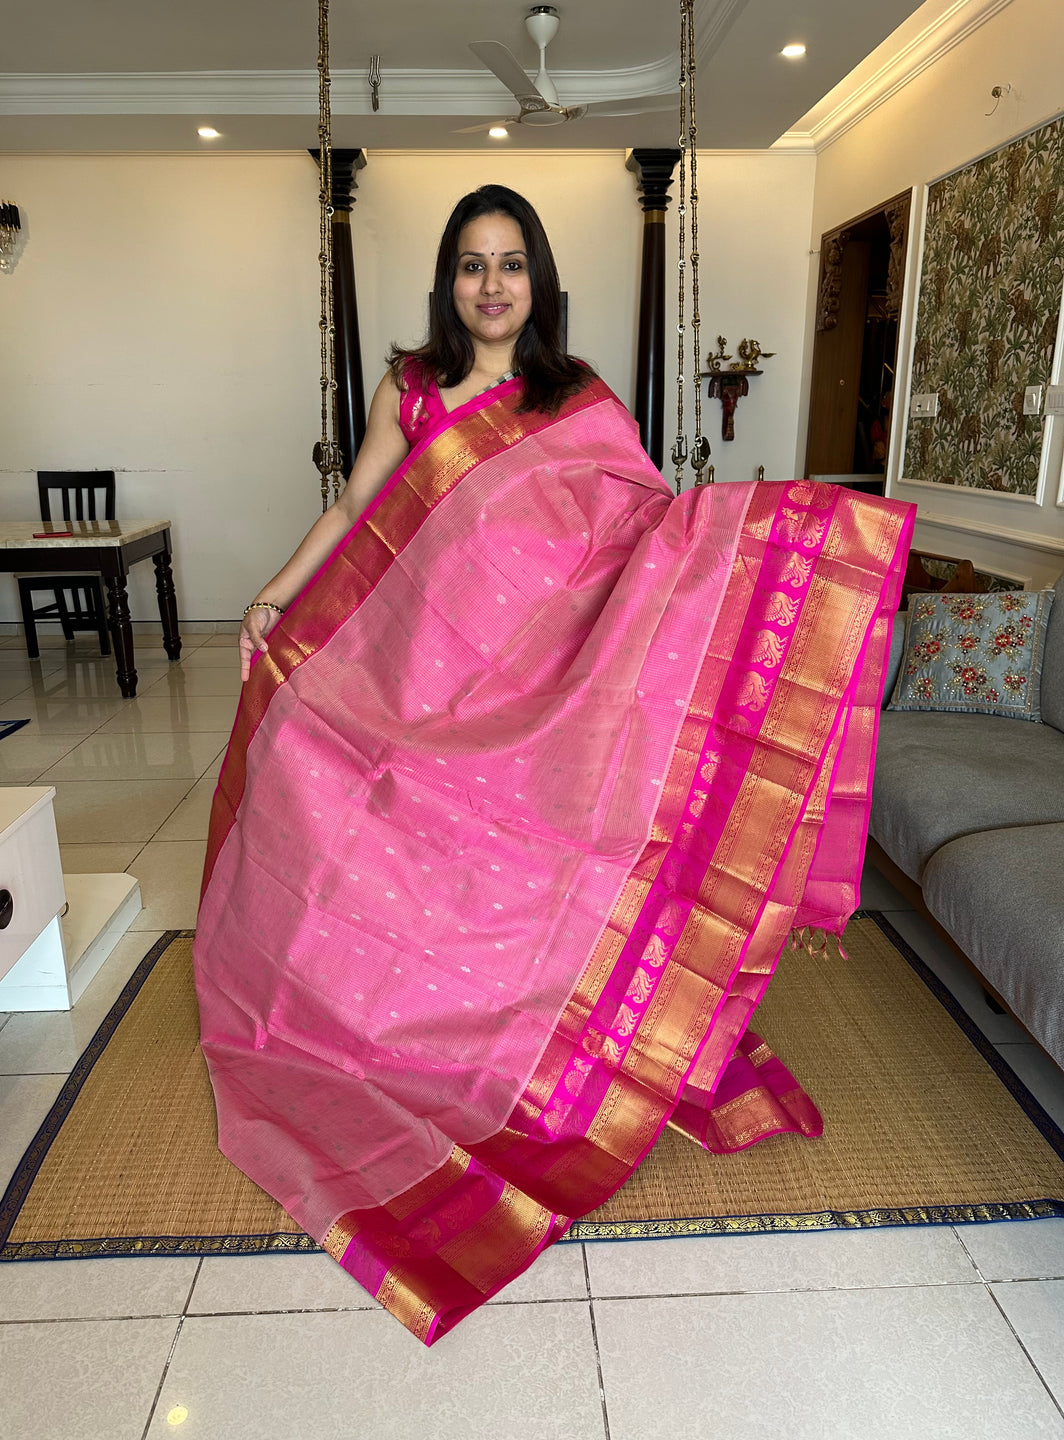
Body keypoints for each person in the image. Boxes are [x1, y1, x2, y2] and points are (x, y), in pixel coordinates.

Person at [195, 184, 913, 1345]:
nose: (491, 286)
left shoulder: (573, 399)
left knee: (514, 859)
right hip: (415, 678)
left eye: (511, 264)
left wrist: (762, 539)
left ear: (539, 280)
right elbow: (358, 510)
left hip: (539, 683)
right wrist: (280, 593)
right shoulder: (413, 391)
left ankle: (510, 1016)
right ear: (448, 279)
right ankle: (387, 1016)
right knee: (392, 847)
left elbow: (643, 524)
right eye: (472, 265)